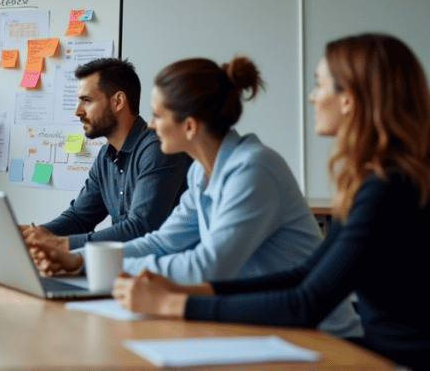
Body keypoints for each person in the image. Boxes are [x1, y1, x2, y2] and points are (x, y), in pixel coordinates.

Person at [113, 34, 430, 369]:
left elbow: (306, 303)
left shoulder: (387, 186)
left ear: (348, 99)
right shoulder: (379, 180)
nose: (311, 97)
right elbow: (302, 275)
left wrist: (174, 304)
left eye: (319, 85)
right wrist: (189, 292)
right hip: (370, 350)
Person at [33, 55, 361, 338]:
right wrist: (82, 261)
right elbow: (162, 242)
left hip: (319, 335)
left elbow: (209, 266)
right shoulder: (200, 173)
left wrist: (89, 264)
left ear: (189, 127)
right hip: (256, 324)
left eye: (159, 116)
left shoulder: (253, 169)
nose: (151, 126)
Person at [21, 58, 191, 253]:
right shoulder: (106, 155)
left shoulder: (158, 148)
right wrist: (35, 233)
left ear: (118, 101)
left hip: (164, 275)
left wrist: (59, 243)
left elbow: (140, 229)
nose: (78, 111)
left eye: (87, 100)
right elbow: (80, 217)